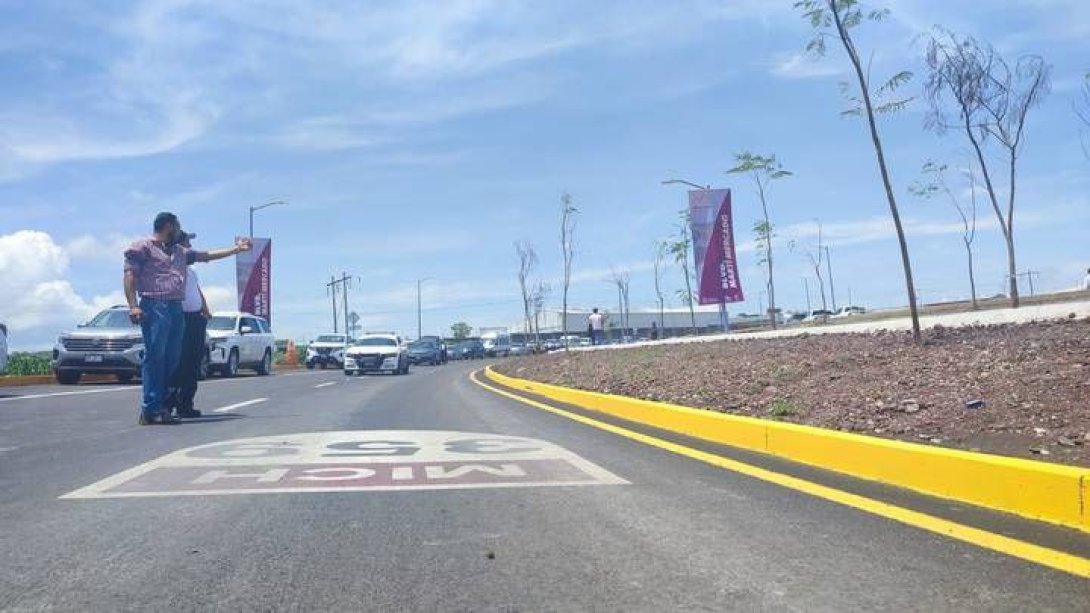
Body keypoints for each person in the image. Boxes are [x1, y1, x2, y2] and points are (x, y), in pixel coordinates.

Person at [124, 212, 251, 425]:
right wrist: (133, 305)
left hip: (175, 307)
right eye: (177, 226)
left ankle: (161, 405)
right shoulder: (142, 247)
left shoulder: (179, 252)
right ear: (168, 226)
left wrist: (236, 249)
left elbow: (207, 255)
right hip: (155, 305)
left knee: (172, 359)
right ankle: (151, 408)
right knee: (155, 357)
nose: (179, 230)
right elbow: (129, 275)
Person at [165, 230, 212, 419]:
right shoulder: (170, 268)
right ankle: (168, 403)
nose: (190, 247)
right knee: (178, 362)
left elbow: (196, 290)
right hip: (180, 317)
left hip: (195, 318)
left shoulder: (191, 271)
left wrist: (205, 309)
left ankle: (186, 403)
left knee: (193, 362)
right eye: (187, 243)